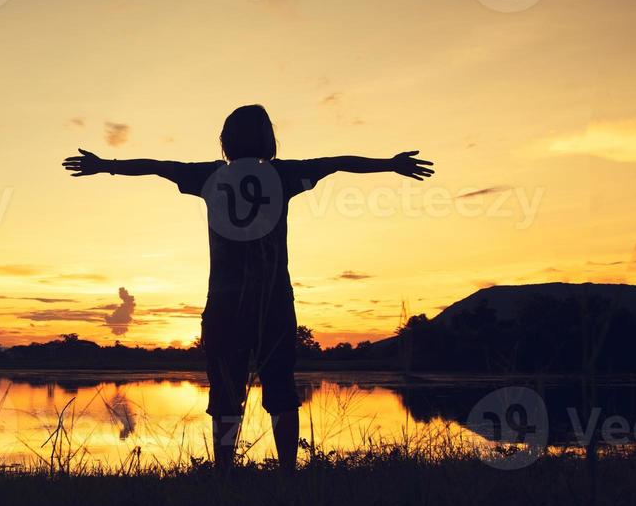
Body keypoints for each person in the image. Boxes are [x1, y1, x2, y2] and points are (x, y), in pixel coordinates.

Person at [62, 104, 433, 472]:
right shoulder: (283, 175)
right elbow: (337, 161)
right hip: (273, 299)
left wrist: (105, 166)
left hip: (224, 301)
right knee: (281, 387)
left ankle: (224, 469)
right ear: (270, 140)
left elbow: (156, 167)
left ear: (225, 142)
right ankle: (287, 470)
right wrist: (390, 163)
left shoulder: (209, 176)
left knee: (225, 389)